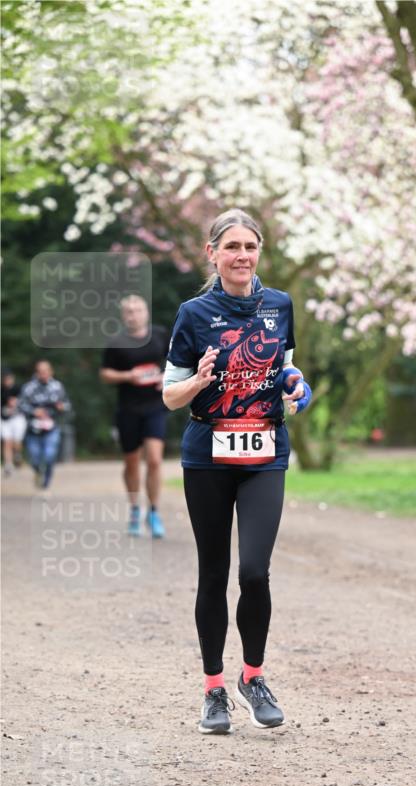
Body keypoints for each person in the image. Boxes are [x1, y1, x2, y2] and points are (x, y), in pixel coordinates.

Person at [162, 208, 311, 736]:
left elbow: (285, 366)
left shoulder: (279, 305)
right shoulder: (193, 313)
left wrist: (297, 386)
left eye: (250, 246)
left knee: (254, 572)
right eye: (232, 247)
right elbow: (170, 393)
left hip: (266, 452)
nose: (242, 256)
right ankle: (213, 691)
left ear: (259, 251)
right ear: (213, 254)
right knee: (213, 574)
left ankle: (254, 676)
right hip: (208, 454)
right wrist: (199, 381)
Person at [100, 295, 171, 538]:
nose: (134, 314)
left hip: (155, 406)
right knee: (131, 462)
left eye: (138, 310)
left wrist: (166, 377)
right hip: (128, 408)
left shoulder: (160, 334)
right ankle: (134, 510)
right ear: (123, 316)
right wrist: (128, 376)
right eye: (129, 311)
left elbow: (178, 360)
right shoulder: (117, 342)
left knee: (154, 460)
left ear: (146, 312)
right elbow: (105, 374)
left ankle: (153, 511)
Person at [18, 360, 71, 490]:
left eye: (46, 371)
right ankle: (38, 472)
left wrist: (61, 407)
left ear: (51, 372)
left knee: (49, 456)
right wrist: (33, 411)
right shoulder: (29, 387)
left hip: (52, 428)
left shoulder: (58, 387)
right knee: (34, 459)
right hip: (33, 429)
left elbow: (67, 405)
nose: (43, 374)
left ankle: (46, 482)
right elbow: (20, 405)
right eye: (40, 372)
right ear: (36, 373)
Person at [1, 369, 27, 475]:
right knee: (7, 441)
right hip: (4, 419)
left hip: (17, 418)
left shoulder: (19, 389)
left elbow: (25, 402)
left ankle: (17, 454)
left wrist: (16, 402)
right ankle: (8, 465)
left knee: (16, 441)